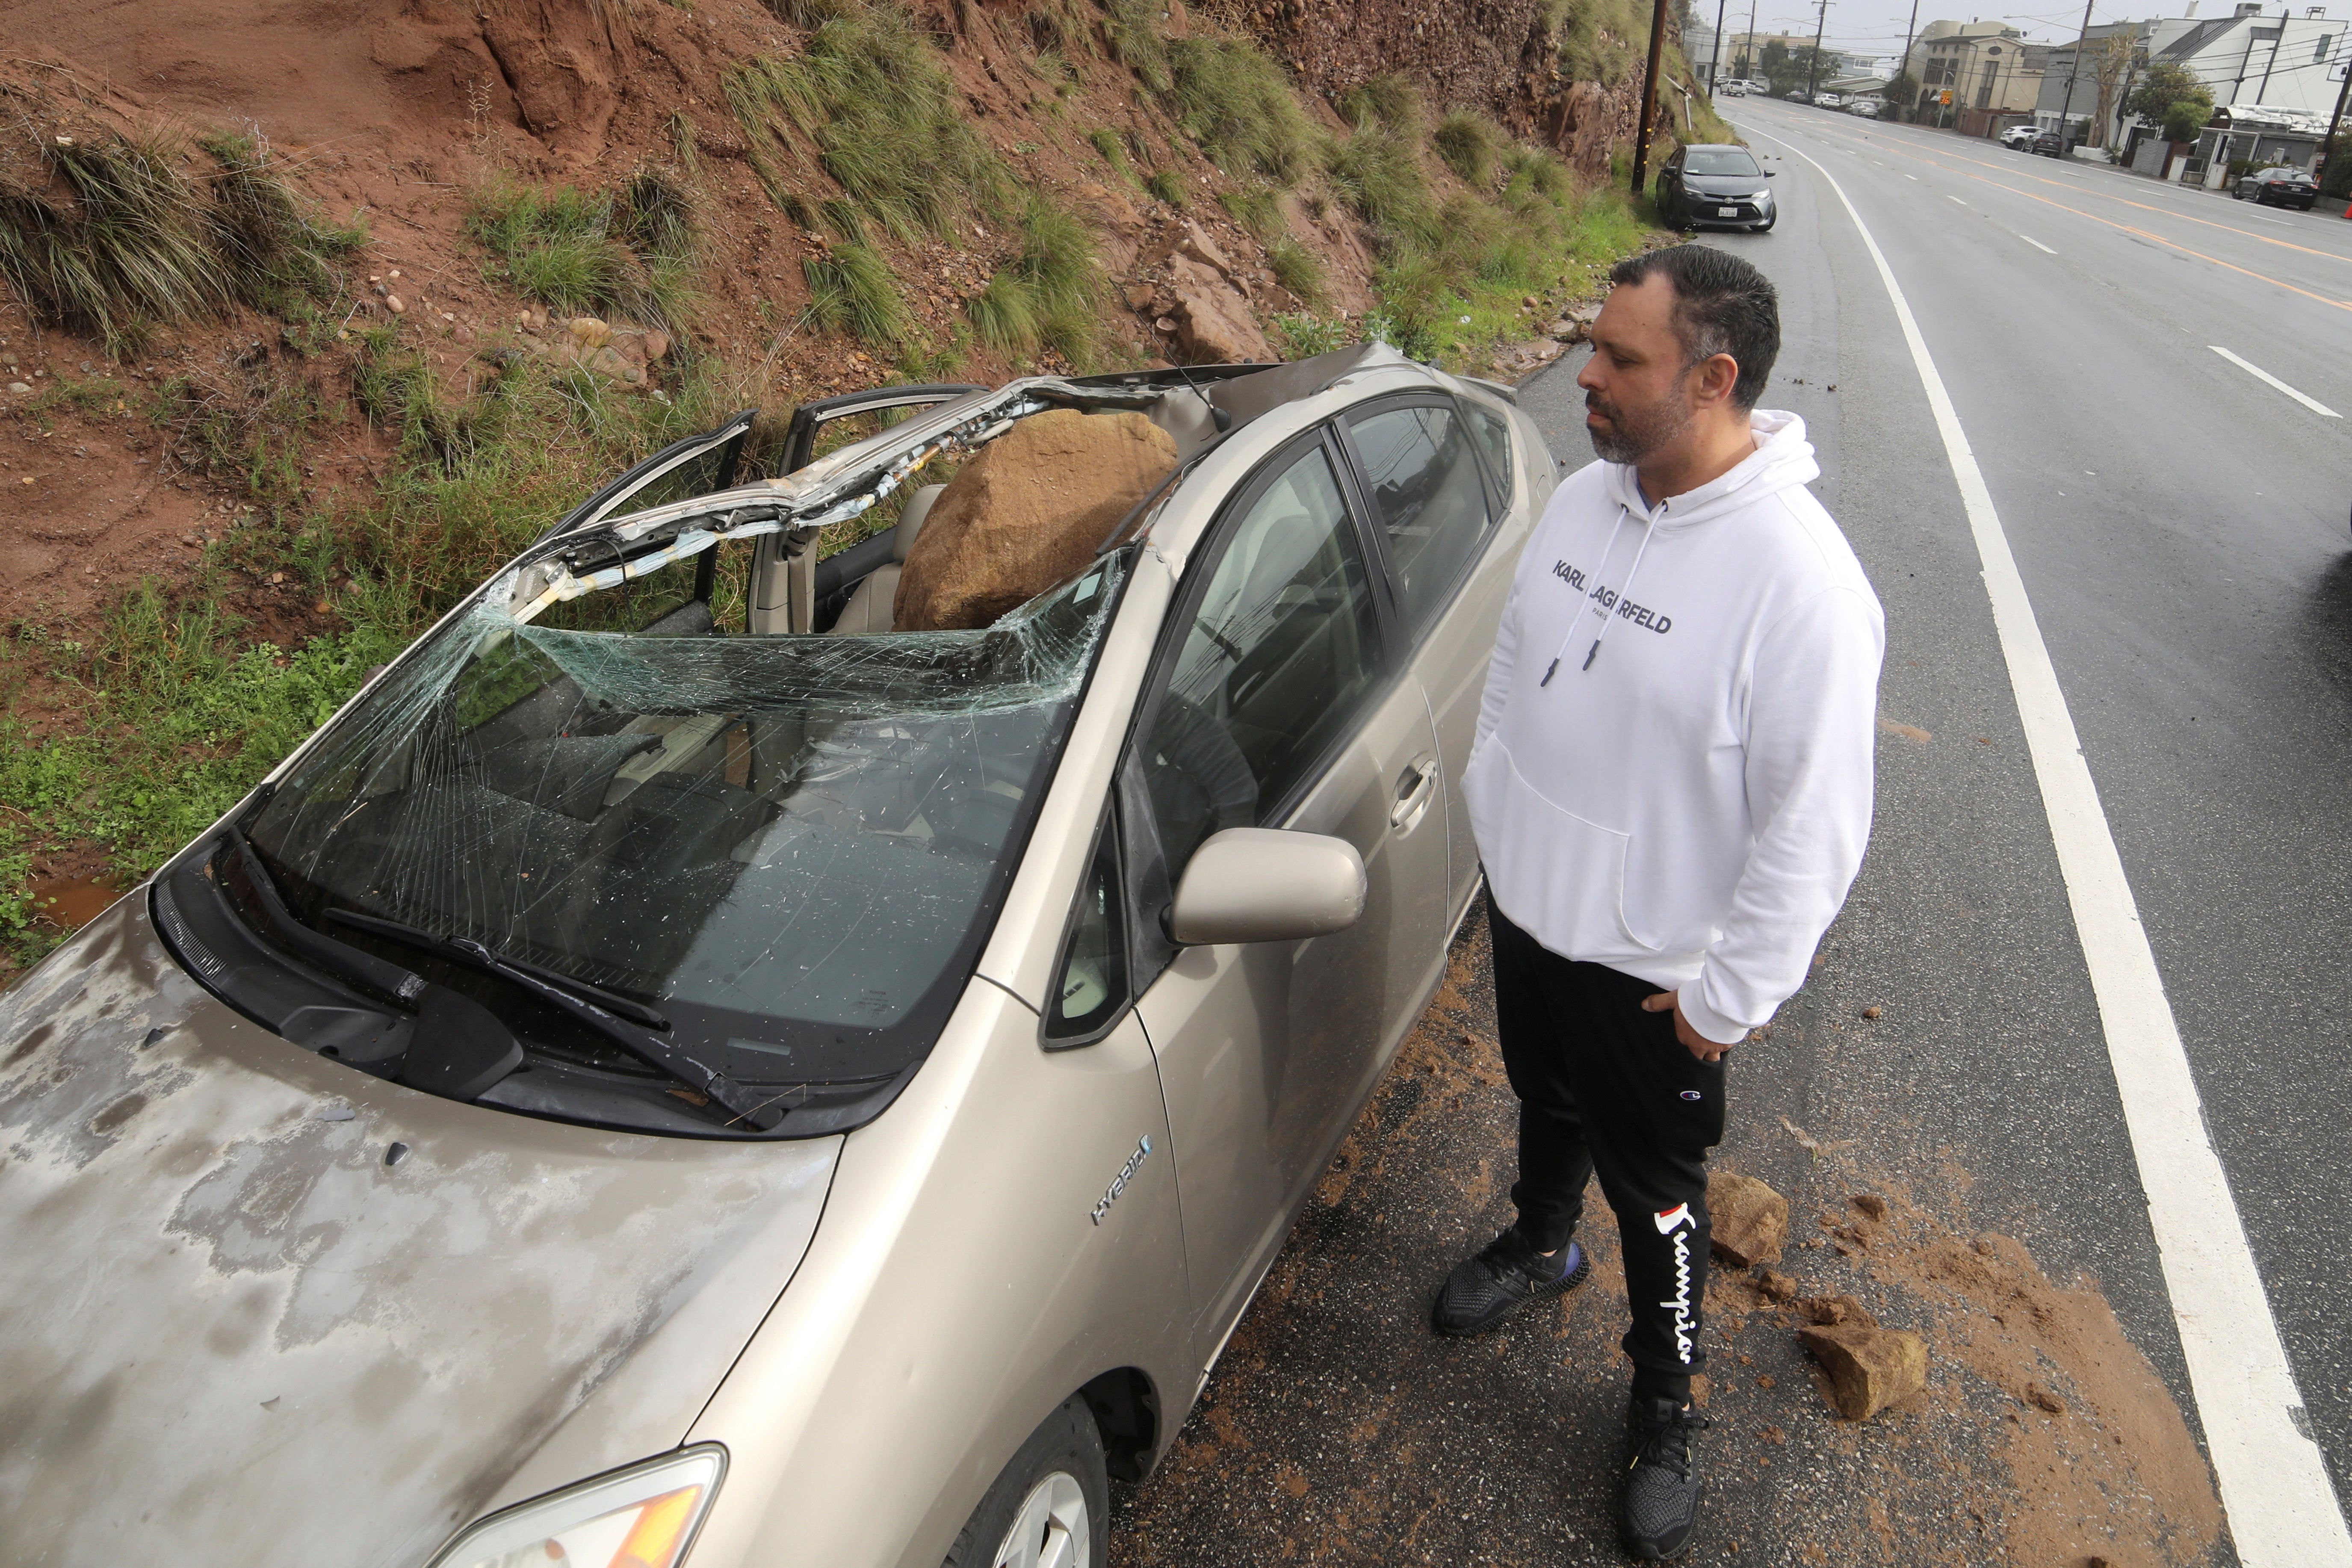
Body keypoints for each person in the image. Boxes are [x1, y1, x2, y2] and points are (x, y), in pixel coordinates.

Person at [1433, 245, 1884, 1560]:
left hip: (1656, 975)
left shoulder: (1800, 586)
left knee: (1660, 1193)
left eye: (1621, 359)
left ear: (1714, 376)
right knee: (1543, 1095)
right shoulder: (1586, 498)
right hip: (1533, 911)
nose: (1586, 372)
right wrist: (1494, 808)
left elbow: (1815, 826)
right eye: (1591, 343)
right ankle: (1537, 1243)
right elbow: (1518, 659)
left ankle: (1663, 1398)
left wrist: (1724, 998)